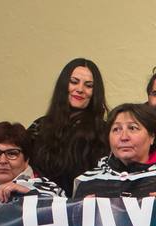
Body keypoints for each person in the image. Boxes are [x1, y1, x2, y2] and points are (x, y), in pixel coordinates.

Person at [28, 58, 109, 193]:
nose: (80, 89)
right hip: (44, 206)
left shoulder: (104, 132)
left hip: (85, 206)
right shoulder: (40, 127)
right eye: (74, 82)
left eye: (88, 85)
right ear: (63, 85)